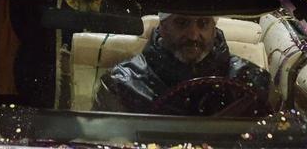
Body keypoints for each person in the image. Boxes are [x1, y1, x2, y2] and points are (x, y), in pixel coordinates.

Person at [93, 12, 272, 116]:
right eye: (182, 23)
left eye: (203, 23)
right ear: (162, 27)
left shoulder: (250, 81)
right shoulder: (124, 83)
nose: (193, 35)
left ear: (214, 29)